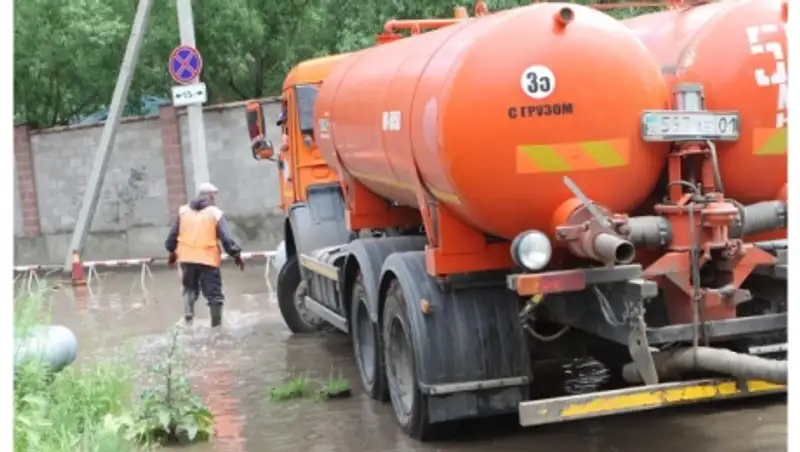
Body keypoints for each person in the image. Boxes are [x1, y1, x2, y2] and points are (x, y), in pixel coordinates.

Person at [165, 182, 245, 327]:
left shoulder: (183, 212)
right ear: (211, 196)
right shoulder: (215, 213)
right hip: (208, 260)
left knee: (189, 289)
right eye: (214, 196)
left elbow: (172, 236)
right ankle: (216, 328)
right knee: (214, 296)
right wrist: (236, 255)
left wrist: (171, 251)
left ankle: (188, 318)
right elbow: (227, 238)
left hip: (187, 259)